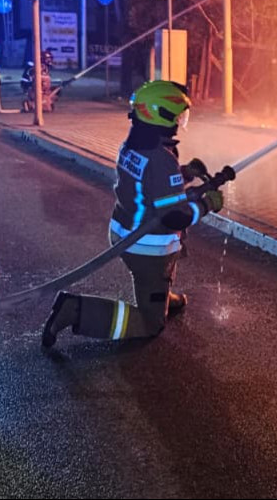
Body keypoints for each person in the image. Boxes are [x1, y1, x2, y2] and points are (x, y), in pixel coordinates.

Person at [40, 80, 223, 347]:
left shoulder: (133, 145)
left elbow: (150, 186)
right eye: (177, 115)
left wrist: (183, 174)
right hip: (147, 247)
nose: (180, 120)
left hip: (124, 231)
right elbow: (175, 217)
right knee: (151, 324)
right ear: (161, 115)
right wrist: (208, 205)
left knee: (156, 279)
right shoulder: (161, 159)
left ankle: (161, 295)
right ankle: (76, 310)